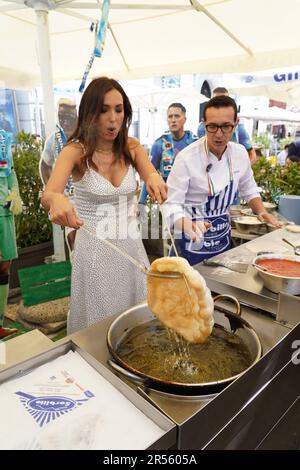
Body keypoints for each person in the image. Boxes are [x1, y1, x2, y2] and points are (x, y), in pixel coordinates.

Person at [42, 77, 167, 334]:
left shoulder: (131, 147)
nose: (113, 118)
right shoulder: (74, 151)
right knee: (100, 324)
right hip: (95, 249)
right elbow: (49, 193)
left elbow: (150, 173)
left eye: (118, 110)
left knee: (138, 322)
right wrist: (57, 199)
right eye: (104, 110)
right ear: (90, 113)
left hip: (131, 245)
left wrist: (154, 178)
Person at [164, 95, 282, 266]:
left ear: (235, 124)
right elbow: (171, 204)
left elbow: (249, 189)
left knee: (219, 289)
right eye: (212, 126)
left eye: (226, 126)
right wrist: (186, 224)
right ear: (204, 124)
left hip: (222, 242)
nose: (219, 134)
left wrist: (261, 211)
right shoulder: (186, 158)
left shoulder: (240, 153)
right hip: (190, 243)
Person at [138, 103, 197, 203]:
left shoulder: (194, 143)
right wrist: (141, 202)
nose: (173, 120)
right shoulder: (159, 144)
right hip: (167, 200)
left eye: (177, 116)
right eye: (170, 116)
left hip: (190, 199)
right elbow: (149, 176)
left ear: (184, 119)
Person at [40, 98, 78, 253]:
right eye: (61, 116)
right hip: (69, 200)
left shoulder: (87, 135)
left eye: (68, 116)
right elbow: (44, 165)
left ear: (76, 114)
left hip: (89, 198)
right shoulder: (54, 139)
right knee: (73, 238)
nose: (64, 121)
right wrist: (52, 192)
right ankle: (78, 272)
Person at [0, 129, 22, 339]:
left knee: (5, 265)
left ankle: (0, 321)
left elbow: (11, 173)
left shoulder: (3, 139)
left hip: (5, 213)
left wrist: (13, 194)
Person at [197, 87, 257, 164]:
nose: (220, 104)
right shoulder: (202, 128)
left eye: (226, 127)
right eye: (212, 127)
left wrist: (242, 169)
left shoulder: (240, 129)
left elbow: (251, 154)